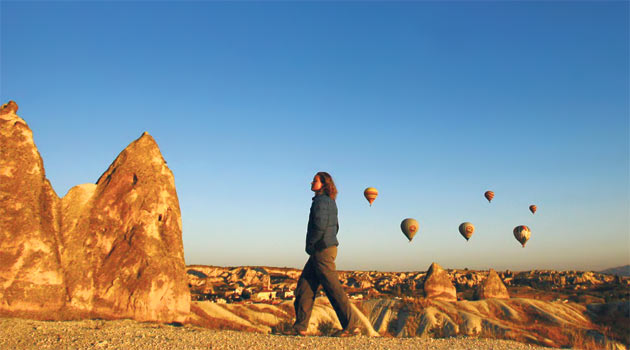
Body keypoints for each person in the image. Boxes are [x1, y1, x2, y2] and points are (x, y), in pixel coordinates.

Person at [292, 172, 359, 337]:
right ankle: (300, 327)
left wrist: (312, 244)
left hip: (321, 250)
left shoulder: (320, 202)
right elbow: (336, 227)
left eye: (315, 180)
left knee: (332, 288)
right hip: (325, 248)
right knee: (305, 287)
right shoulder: (330, 202)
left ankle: (351, 325)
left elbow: (320, 226)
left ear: (323, 183)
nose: (311, 182)